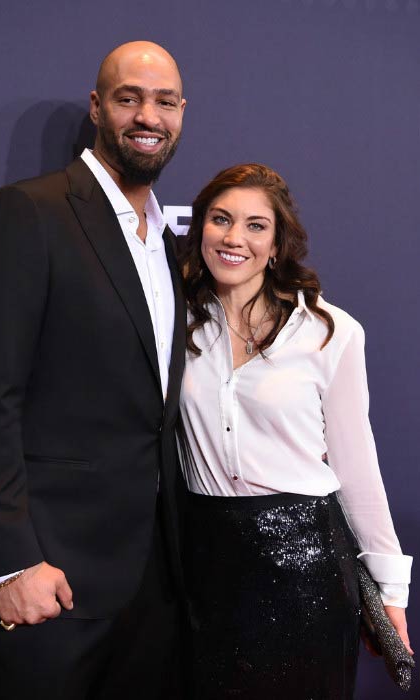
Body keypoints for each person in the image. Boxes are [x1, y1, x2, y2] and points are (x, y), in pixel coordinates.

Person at [0, 41, 187, 700]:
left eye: (164, 101)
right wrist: (12, 561)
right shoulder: (31, 212)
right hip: (51, 578)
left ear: (181, 112)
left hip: (152, 585)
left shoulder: (165, 243)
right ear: (96, 107)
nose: (148, 115)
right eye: (128, 97)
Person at [178, 163, 413, 699]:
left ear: (278, 243)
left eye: (256, 225)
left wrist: (390, 589)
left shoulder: (329, 331)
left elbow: (356, 465)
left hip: (306, 563)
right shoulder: (178, 322)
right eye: (221, 220)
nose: (235, 238)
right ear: (202, 231)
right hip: (205, 564)